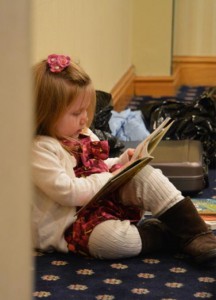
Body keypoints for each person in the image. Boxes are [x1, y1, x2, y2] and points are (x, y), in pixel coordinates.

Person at [32, 54, 216, 265]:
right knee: (109, 242)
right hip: (71, 225)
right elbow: (69, 192)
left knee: (145, 175)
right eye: (76, 113)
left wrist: (120, 162)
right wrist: (111, 175)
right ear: (45, 113)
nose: (84, 118)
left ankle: (195, 232)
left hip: (98, 201)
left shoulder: (80, 132)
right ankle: (164, 235)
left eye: (86, 109)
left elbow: (93, 167)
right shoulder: (40, 150)